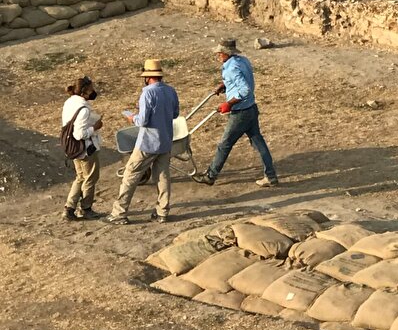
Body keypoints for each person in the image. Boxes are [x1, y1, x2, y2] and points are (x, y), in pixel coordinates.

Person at [195, 38, 277, 188]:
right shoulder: (242, 60)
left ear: (226, 53)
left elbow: (245, 89)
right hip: (251, 108)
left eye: (220, 53)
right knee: (258, 141)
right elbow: (242, 82)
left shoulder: (231, 67)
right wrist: (225, 85)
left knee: (224, 144)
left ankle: (211, 175)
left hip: (241, 112)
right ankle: (270, 176)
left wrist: (229, 103)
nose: (218, 56)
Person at [108, 59, 179, 225]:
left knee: (130, 175)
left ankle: (119, 213)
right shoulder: (170, 91)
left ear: (147, 77)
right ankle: (162, 212)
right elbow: (175, 114)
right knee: (162, 176)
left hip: (148, 142)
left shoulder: (148, 93)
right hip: (165, 140)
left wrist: (132, 117)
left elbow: (143, 121)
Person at [61, 75, 103, 221]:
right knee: (91, 177)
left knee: (80, 177)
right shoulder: (83, 109)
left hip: (73, 149)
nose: (93, 92)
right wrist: (95, 127)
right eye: (91, 89)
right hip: (85, 149)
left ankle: (69, 208)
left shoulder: (69, 102)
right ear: (84, 91)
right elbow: (80, 134)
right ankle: (86, 208)